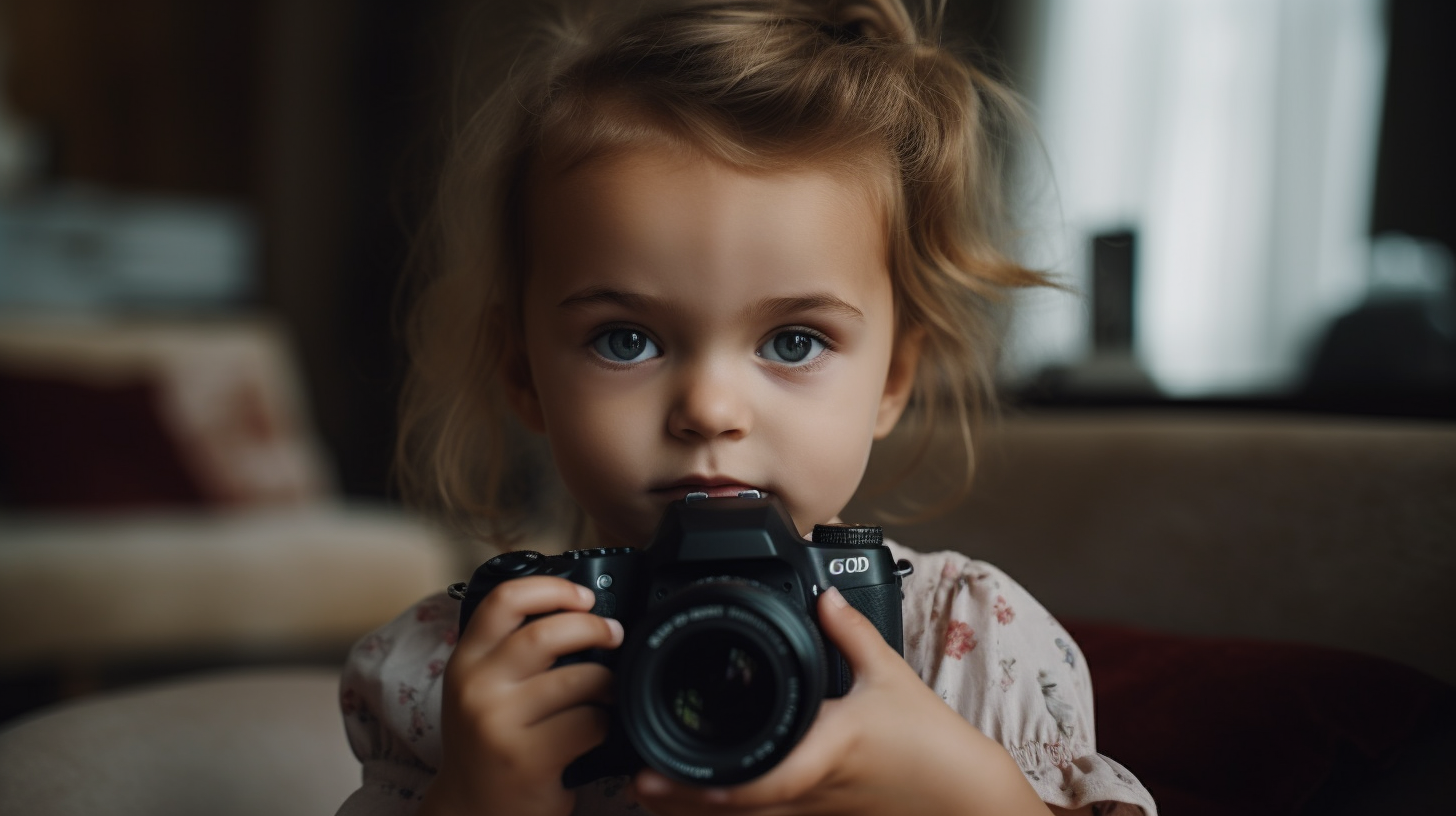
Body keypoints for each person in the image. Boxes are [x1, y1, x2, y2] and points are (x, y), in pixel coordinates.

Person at [337, 1, 1157, 814]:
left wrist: (975, 801)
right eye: (625, 340)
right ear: (522, 374)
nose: (709, 409)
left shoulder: (963, 646)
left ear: (894, 379)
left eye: (794, 342)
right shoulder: (461, 669)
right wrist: (476, 801)